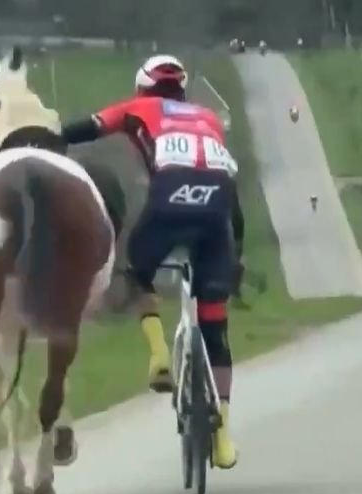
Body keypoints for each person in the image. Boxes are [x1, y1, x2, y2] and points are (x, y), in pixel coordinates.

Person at [61, 55, 244, 469]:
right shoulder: (209, 118)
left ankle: (160, 354)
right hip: (217, 210)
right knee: (215, 326)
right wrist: (239, 254)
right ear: (182, 90)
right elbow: (225, 182)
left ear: (143, 88)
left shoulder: (138, 107)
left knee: (138, 272)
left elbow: (87, 128)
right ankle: (225, 438)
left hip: (169, 202)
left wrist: (46, 137)